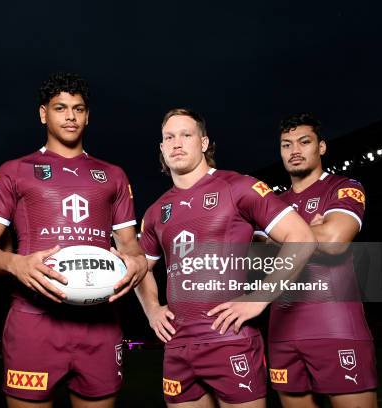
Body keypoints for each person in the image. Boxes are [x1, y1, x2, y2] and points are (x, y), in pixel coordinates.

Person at [0, 72, 147, 408]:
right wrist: (15, 263)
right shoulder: (14, 171)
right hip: (34, 322)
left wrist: (136, 260)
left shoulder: (113, 175)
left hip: (100, 324)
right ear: (43, 114)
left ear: (88, 115)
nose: (70, 116)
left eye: (78, 109)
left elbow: (129, 245)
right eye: (60, 108)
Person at [135, 108, 316, 407]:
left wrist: (259, 298)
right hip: (178, 345)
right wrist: (152, 309)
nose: (176, 143)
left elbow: (302, 238)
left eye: (186, 135)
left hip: (230, 338)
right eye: (169, 137)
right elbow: (142, 269)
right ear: (162, 148)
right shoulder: (155, 211)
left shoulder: (238, 187)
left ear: (204, 143)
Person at [264, 113, 377, 408]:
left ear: (321, 147)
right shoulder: (272, 204)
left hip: (335, 328)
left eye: (304, 142)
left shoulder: (342, 187)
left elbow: (334, 240)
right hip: (282, 332)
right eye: (286, 145)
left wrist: (279, 238)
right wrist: (310, 231)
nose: (295, 151)